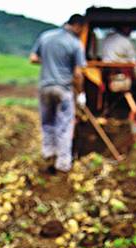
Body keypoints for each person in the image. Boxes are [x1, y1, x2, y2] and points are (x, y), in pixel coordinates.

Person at [29, 14, 87, 173]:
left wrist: (48, 62)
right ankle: (63, 164)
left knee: (47, 122)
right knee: (64, 126)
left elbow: (33, 58)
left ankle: (48, 154)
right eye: (83, 29)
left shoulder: (46, 36)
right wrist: (81, 93)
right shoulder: (75, 44)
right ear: (78, 26)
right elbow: (77, 73)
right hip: (63, 89)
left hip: (45, 87)